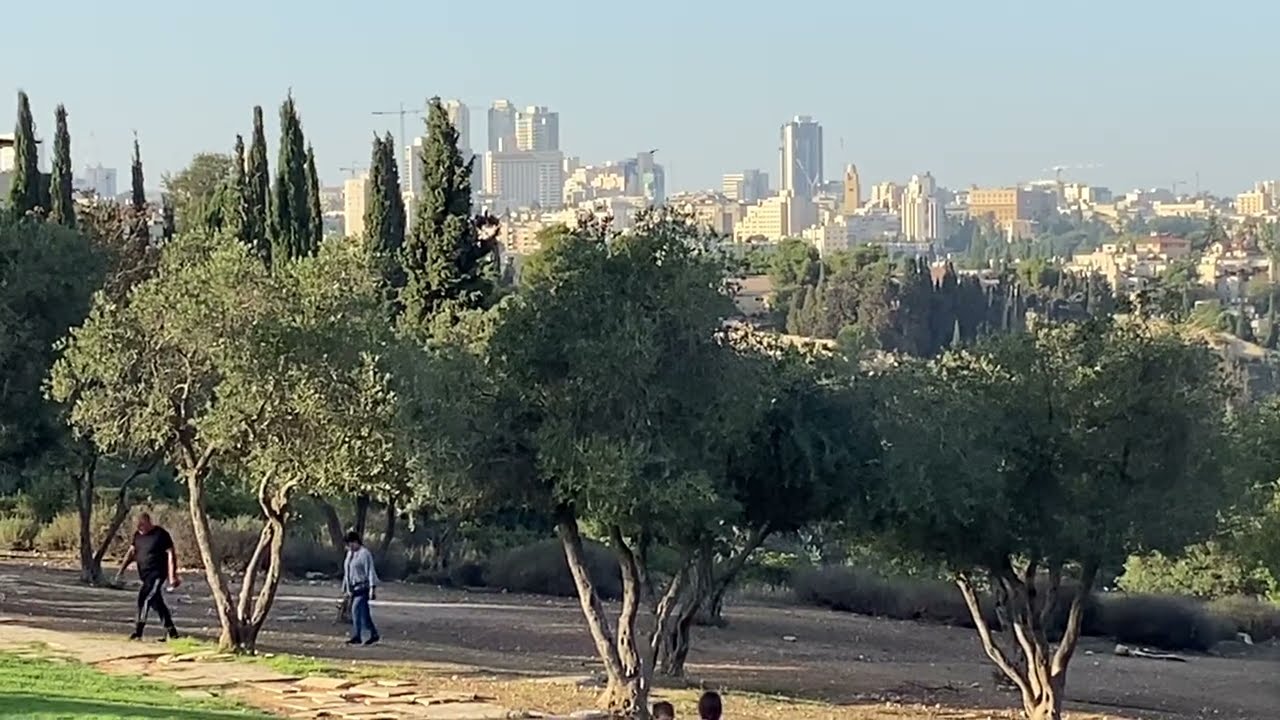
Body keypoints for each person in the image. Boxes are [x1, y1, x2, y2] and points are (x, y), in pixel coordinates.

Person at [114, 511, 180, 641]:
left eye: (142, 525)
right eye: (138, 526)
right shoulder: (137, 535)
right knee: (157, 603)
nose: (140, 528)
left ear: (148, 522)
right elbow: (131, 553)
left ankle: (138, 632)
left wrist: (172, 575)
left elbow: (171, 554)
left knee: (145, 599)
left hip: (158, 574)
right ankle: (172, 633)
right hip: (145, 576)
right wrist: (121, 570)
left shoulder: (160, 534)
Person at [342, 530, 380, 645]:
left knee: (355, 610)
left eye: (351, 544)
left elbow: (370, 570)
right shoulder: (350, 554)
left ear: (356, 542)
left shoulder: (364, 554)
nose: (350, 547)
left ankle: (357, 636)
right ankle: (373, 633)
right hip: (353, 588)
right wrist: (346, 588)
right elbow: (347, 572)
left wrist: (372, 588)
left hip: (363, 587)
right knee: (364, 614)